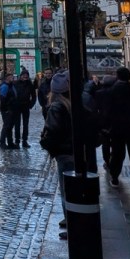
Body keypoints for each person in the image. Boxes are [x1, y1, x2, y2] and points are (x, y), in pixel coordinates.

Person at [103, 67, 130, 195]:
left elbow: (107, 112)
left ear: (117, 77)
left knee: (117, 154)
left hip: (118, 129)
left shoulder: (112, 92)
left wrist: (107, 126)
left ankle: (115, 178)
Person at [40, 71, 74, 240]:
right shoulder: (70, 104)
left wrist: (45, 143)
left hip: (64, 152)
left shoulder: (56, 107)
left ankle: (72, 222)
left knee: (66, 190)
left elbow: (52, 131)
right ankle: (73, 219)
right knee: (71, 188)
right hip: (73, 151)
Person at [13, 69, 37, 147]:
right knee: (17, 124)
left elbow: (33, 96)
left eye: (26, 76)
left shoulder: (30, 85)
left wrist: (31, 105)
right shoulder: (15, 83)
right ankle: (17, 141)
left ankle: (24, 141)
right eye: (23, 76)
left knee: (25, 124)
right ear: (21, 76)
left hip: (26, 106)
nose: (25, 77)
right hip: (17, 106)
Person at [0, 72, 19, 149]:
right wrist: (6, 109)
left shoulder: (11, 85)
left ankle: (10, 143)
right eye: (10, 76)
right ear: (6, 78)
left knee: (10, 126)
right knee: (6, 126)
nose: (12, 78)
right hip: (7, 110)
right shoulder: (5, 86)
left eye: (12, 76)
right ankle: (2, 142)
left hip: (12, 109)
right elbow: (2, 98)